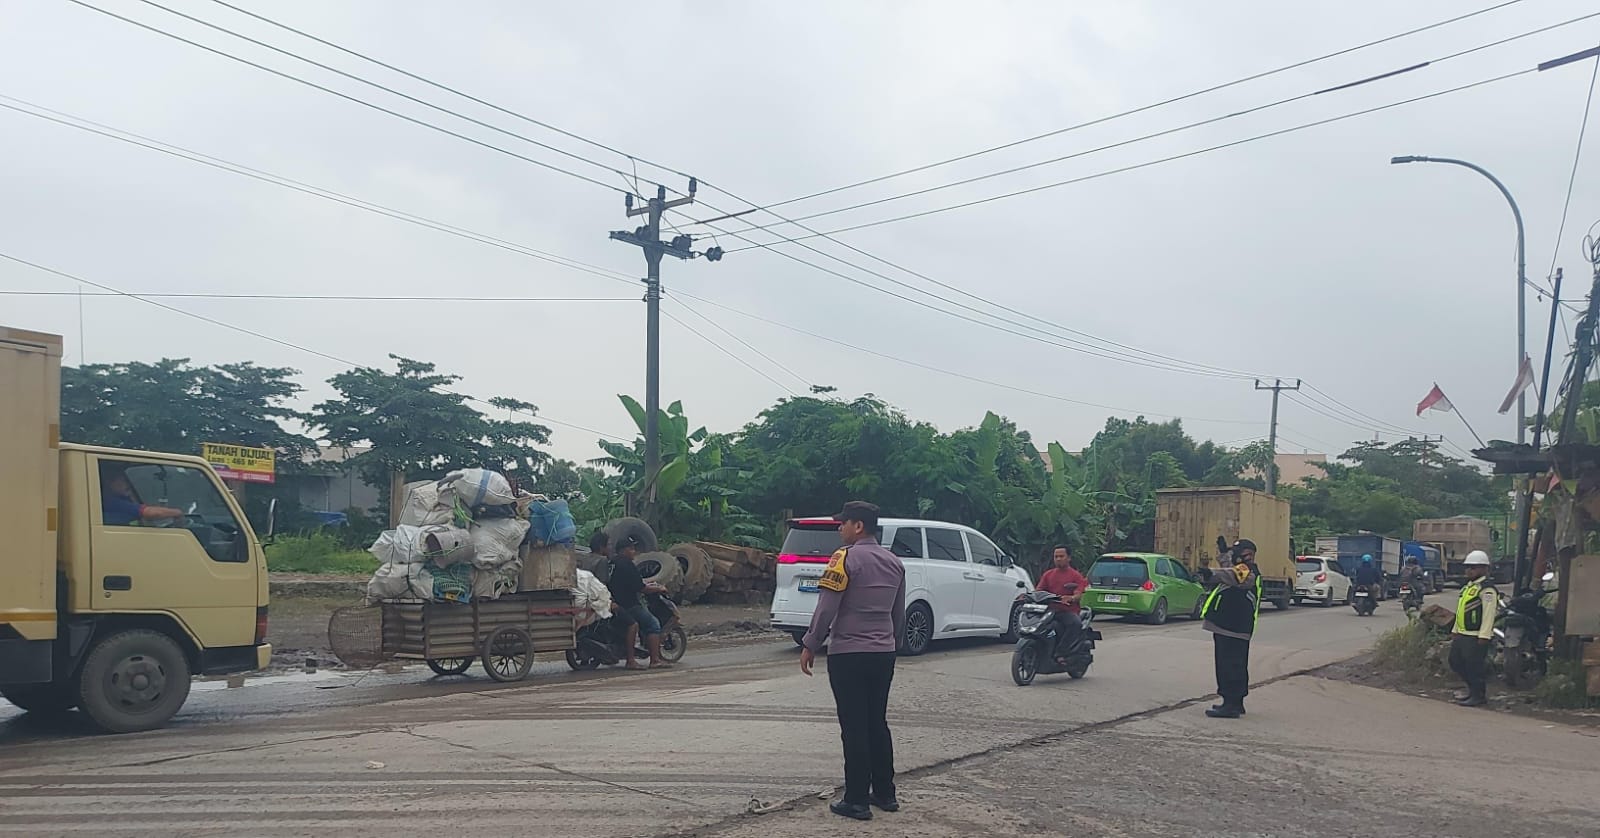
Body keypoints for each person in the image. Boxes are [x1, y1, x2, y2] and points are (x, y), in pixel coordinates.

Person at [799, 501, 907, 822]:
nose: (839, 528)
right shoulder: (894, 562)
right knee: (877, 722)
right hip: (883, 654)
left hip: (849, 653)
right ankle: (885, 793)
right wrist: (893, 644)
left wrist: (810, 643)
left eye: (843, 523)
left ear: (858, 526)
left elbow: (826, 608)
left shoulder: (843, 558)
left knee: (854, 726)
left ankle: (857, 800)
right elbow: (898, 613)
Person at [1202, 538, 1261, 719]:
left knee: (1229, 667)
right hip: (1231, 626)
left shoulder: (1248, 571)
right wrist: (1223, 554)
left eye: (1236, 552)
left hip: (1233, 626)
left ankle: (1231, 705)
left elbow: (1231, 575)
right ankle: (1235, 703)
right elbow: (1231, 569)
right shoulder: (1243, 569)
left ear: (1247, 554)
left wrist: (1210, 573)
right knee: (1234, 665)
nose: (1233, 555)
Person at [603, 533, 670, 670]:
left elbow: (633, 582)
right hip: (629, 605)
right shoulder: (627, 564)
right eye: (632, 549)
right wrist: (658, 589)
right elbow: (641, 588)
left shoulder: (612, 563)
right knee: (653, 624)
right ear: (624, 550)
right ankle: (654, 660)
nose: (634, 552)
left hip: (614, 602)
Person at [1450, 550, 1499, 707]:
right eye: (1468, 567)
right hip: (1462, 634)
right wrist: (1455, 629)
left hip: (1476, 635)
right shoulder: (1468, 587)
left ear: (1484, 569)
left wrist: (1484, 635)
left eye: (1474, 567)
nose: (1469, 570)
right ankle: (1472, 690)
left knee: (1474, 667)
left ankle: (1478, 695)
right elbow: (1460, 610)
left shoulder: (1487, 589)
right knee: (1455, 662)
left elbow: (1488, 614)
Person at [1033, 545, 1089, 663]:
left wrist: (1071, 598)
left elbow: (1078, 593)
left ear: (1069, 558)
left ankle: (1062, 653)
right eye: (1056, 556)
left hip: (1067, 611)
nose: (1058, 559)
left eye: (1061, 556)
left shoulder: (1075, 576)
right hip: (1049, 611)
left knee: (1075, 623)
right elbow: (1039, 591)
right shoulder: (1048, 574)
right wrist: (1028, 596)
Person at [100, 466, 184, 527]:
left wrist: (131, 494)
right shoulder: (110, 502)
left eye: (127, 481)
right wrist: (177, 512)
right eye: (123, 480)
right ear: (109, 483)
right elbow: (150, 513)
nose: (127, 484)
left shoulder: (123, 499)